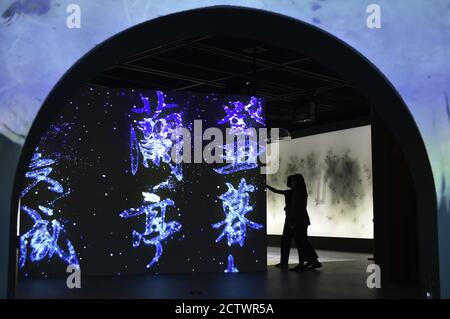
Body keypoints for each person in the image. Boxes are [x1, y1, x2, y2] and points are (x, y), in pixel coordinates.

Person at [267, 174, 321, 271]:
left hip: (297, 221)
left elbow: (296, 208)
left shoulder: (297, 193)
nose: (292, 183)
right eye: (292, 181)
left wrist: (292, 221)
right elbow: (277, 191)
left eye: (294, 181)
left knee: (300, 242)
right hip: (297, 220)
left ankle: (303, 263)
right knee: (301, 242)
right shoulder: (296, 192)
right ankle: (310, 261)